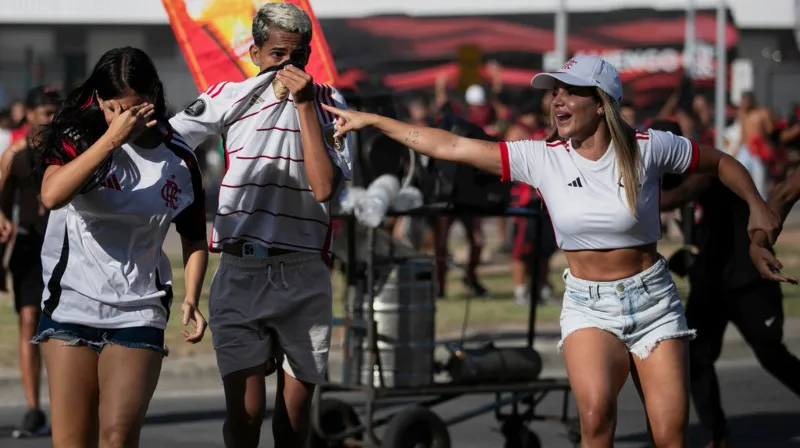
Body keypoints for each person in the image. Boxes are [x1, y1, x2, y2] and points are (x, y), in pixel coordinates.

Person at [321, 54, 781, 447]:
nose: (556, 100)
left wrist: (758, 209)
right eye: (553, 91)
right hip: (588, 305)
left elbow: (721, 162)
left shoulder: (650, 148)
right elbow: (452, 145)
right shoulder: (542, 158)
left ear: (601, 104)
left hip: (655, 301)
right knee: (596, 419)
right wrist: (375, 121)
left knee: (670, 436)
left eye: (569, 91)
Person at [168, 4, 352, 447]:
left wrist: (306, 106)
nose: (289, 67)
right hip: (241, 272)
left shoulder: (330, 102)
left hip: (303, 271)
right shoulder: (228, 97)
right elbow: (168, 141)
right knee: (246, 416)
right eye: (277, 55)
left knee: (292, 421)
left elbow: (325, 187)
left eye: (299, 56)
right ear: (255, 52)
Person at [23, 46, 209, 448]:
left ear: (155, 96)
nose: (125, 120)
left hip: (139, 310)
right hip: (70, 306)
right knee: (72, 441)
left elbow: (194, 236)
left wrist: (192, 297)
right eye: (114, 109)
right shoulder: (77, 138)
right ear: (100, 103)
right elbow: (52, 195)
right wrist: (111, 140)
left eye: (137, 108)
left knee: (117, 437)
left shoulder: (179, 159)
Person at [655, 118, 800, 448]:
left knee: (771, 354)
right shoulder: (662, 179)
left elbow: (685, 192)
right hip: (710, 283)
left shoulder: (703, 167)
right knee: (695, 359)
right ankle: (717, 436)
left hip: (749, 278)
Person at [0, 86, 61, 438]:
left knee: (61, 325)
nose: (52, 120)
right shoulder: (15, 155)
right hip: (29, 243)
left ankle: (67, 401)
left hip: (64, 244)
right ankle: (33, 407)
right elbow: (5, 197)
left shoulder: (70, 150)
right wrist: (5, 218)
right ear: (30, 116)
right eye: (46, 114)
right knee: (28, 321)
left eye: (57, 113)